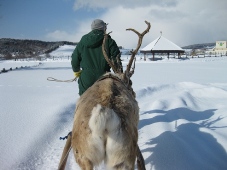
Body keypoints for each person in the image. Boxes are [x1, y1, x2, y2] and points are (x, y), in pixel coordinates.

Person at [71, 19, 122, 96]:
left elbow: (75, 59)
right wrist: (120, 75)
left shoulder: (82, 42)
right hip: (104, 78)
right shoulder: (109, 41)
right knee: (104, 102)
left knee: (86, 103)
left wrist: (77, 72)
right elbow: (116, 60)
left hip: (86, 79)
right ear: (103, 28)